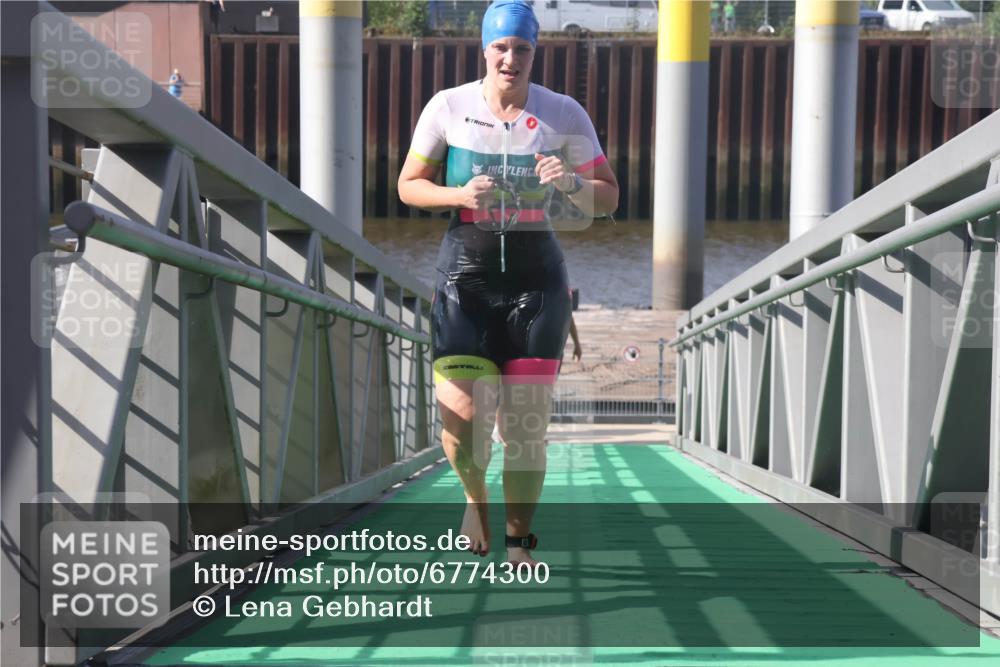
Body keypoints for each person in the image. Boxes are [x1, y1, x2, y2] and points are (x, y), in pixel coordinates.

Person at [398, 0, 618, 566]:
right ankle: (475, 500)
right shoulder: (448, 107)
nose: (510, 60)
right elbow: (408, 185)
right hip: (464, 281)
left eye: (522, 49)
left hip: (536, 283)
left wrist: (570, 180)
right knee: (460, 430)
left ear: (534, 53)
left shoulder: (562, 113)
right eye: (501, 48)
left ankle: (519, 542)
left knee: (523, 432)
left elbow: (609, 197)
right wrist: (457, 195)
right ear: (485, 50)